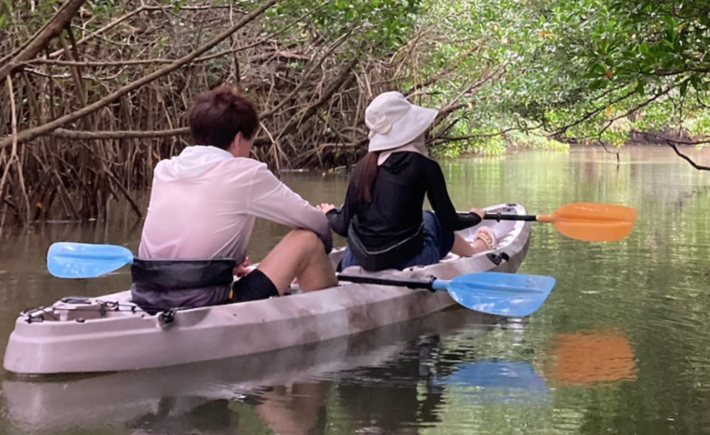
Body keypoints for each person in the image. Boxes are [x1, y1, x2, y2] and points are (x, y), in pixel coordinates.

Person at [131, 85, 337, 312]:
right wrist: (311, 260)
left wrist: (229, 264)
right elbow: (316, 222)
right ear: (238, 139)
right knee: (307, 239)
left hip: (146, 295)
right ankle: (330, 314)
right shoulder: (246, 172)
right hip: (207, 301)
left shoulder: (165, 169)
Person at [322, 91, 494, 271]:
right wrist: (475, 217)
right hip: (409, 261)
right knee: (433, 220)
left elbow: (341, 226)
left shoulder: (363, 167)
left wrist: (330, 212)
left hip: (355, 261)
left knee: (424, 217)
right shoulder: (425, 166)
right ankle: (474, 251)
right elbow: (450, 222)